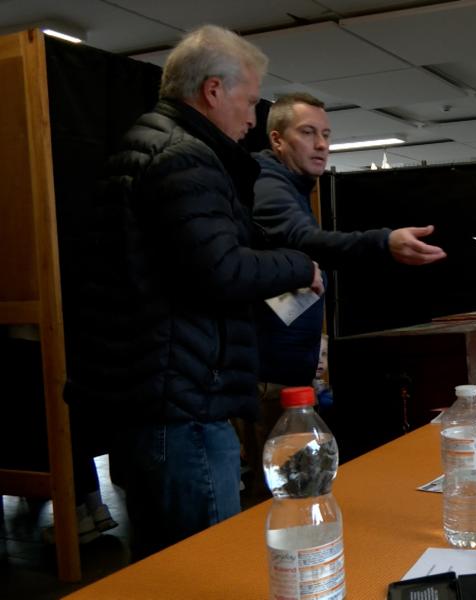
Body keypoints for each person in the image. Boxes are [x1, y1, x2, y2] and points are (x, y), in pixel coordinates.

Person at [64, 25, 321, 558]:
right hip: (181, 405)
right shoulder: (186, 157)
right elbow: (221, 270)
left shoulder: (145, 147)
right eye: (250, 101)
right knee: (203, 566)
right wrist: (298, 266)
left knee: (163, 565)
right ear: (213, 91)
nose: (252, 118)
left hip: (152, 400)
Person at [247, 92, 446, 491]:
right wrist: (383, 242)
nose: (322, 144)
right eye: (308, 133)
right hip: (268, 377)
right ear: (277, 140)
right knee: (284, 494)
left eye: (326, 134)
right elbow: (304, 239)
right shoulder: (267, 183)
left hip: (286, 373)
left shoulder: (292, 184)